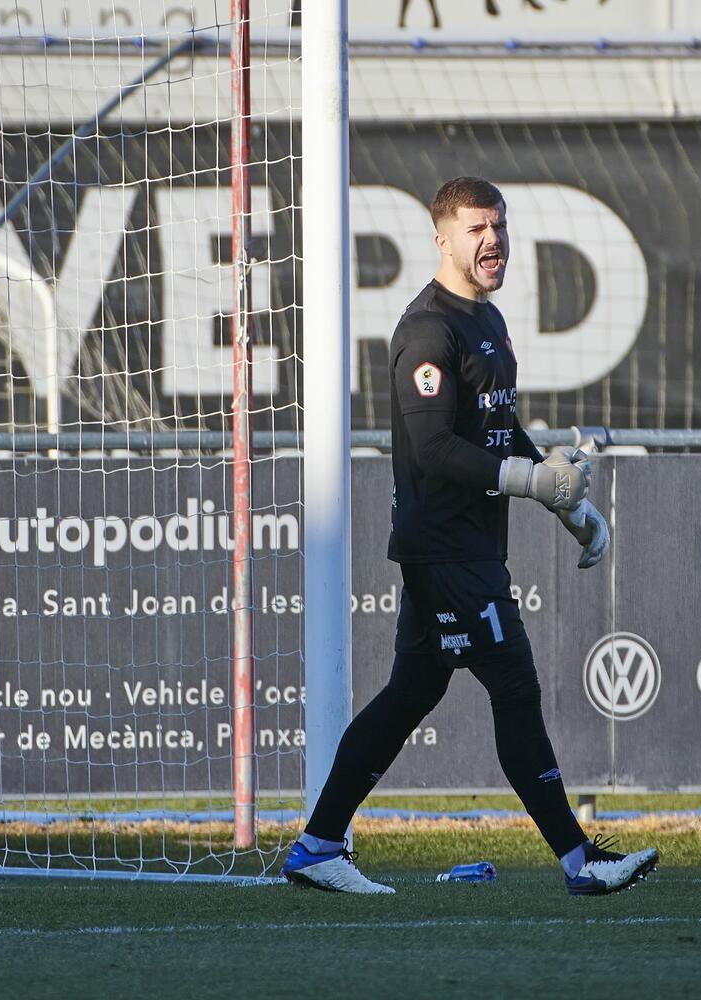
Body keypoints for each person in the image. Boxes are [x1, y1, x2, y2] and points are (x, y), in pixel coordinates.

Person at [281, 176, 659, 895]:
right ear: (443, 239)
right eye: (477, 229)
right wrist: (529, 481)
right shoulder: (427, 330)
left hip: (467, 546)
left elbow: (497, 427)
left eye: (499, 226)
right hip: (445, 549)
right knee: (514, 684)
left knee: (408, 695)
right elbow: (433, 450)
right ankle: (580, 860)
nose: (493, 241)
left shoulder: (487, 320)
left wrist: (566, 504)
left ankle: (319, 845)